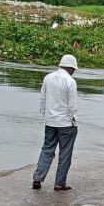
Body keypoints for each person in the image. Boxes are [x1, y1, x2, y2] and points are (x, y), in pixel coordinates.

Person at [32, 54, 79, 191]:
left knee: (47, 149)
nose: (74, 71)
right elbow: (72, 106)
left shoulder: (48, 78)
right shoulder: (70, 81)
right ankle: (59, 183)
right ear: (70, 67)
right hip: (66, 124)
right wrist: (74, 122)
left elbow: (43, 99)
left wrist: (46, 115)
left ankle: (37, 178)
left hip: (50, 122)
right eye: (74, 69)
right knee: (65, 153)